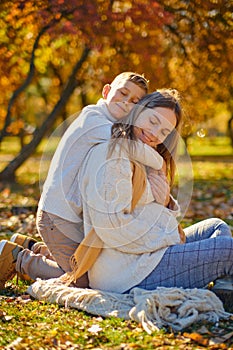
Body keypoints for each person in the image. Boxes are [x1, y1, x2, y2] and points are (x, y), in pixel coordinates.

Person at [0, 72, 165, 289]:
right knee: (81, 281)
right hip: (57, 217)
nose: (127, 102)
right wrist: (160, 162)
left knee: (89, 265)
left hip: (71, 217)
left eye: (135, 102)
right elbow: (128, 147)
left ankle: (32, 247)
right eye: (123, 93)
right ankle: (18, 258)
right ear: (106, 91)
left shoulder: (109, 122)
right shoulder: (93, 119)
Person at [73, 89, 233, 309]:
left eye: (165, 131)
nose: (155, 133)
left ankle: (224, 289)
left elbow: (150, 213)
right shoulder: (113, 156)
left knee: (216, 226)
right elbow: (114, 230)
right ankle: (222, 288)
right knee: (228, 250)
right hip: (126, 273)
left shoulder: (147, 156)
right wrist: (170, 238)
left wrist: (166, 203)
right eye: (153, 121)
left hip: (150, 255)